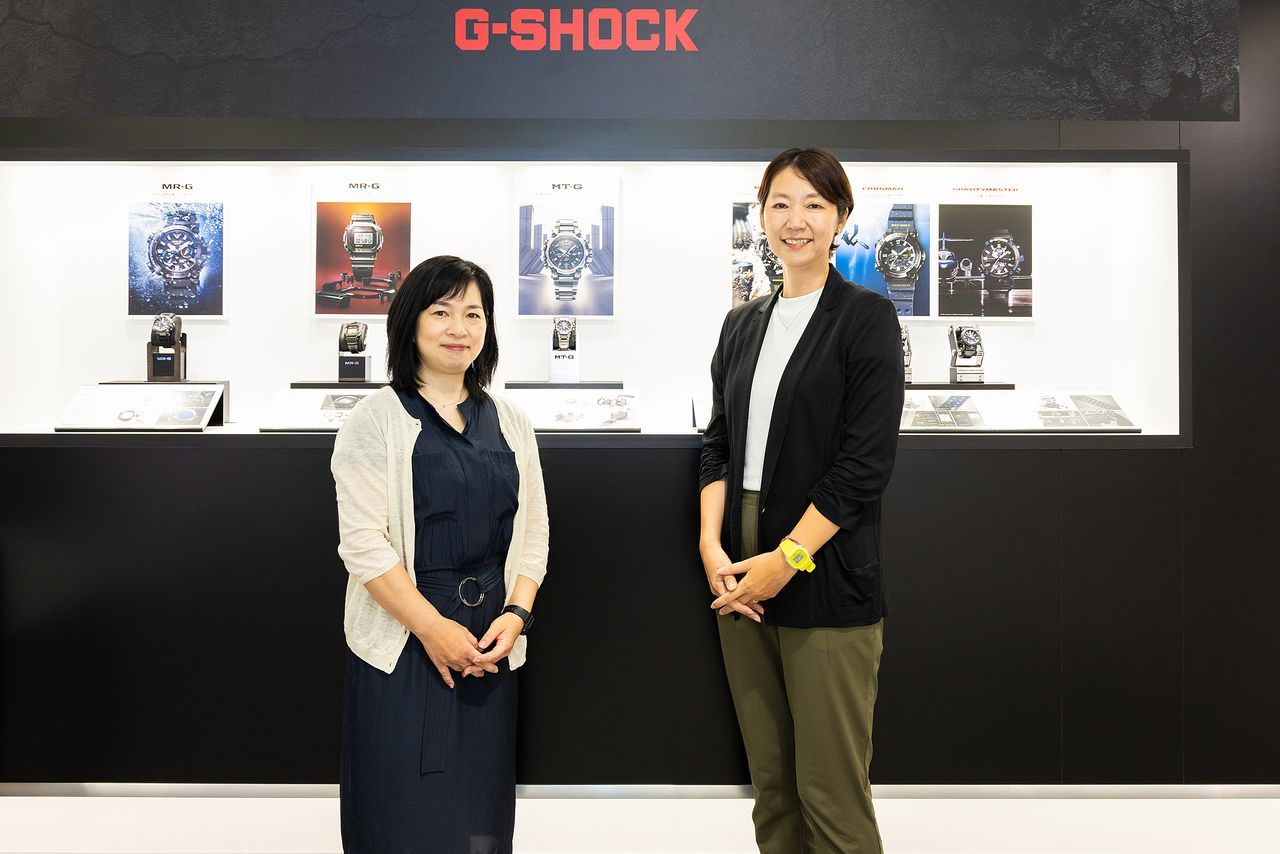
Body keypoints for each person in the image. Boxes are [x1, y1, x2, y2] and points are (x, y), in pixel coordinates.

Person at [698, 148, 904, 853]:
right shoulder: (742, 324)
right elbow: (717, 442)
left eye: (814, 205)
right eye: (781, 203)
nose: (796, 220)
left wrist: (785, 560)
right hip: (739, 582)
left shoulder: (867, 319)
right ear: (761, 215)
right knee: (774, 793)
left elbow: (863, 467)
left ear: (840, 218)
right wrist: (711, 547)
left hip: (824, 574)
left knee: (830, 797)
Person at [331, 255, 548, 854]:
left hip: (490, 644)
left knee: (479, 823)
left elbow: (534, 535)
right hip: (403, 645)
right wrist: (433, 631)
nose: (459, 327)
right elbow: (365, 546)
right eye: (442, 311)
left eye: (473, 313)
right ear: (411, 323)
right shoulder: (373, 420)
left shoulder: (511, 421)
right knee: (400, 817)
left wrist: (517, 616)